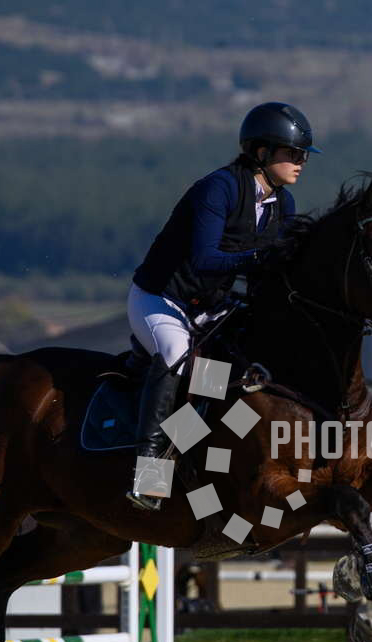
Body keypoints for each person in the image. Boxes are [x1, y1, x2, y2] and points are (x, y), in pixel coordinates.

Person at [126, 102, 321, 511]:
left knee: (225, 372)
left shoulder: (282, 203)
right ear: (262, 152)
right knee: (176, 356)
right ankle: (148, 472)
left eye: (303, 155)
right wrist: (261, 258)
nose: (301, 162)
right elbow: (205, 259)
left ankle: (198, 464)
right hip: (161, 298)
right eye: (293, 153)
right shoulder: (219, 188)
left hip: (210, 306)